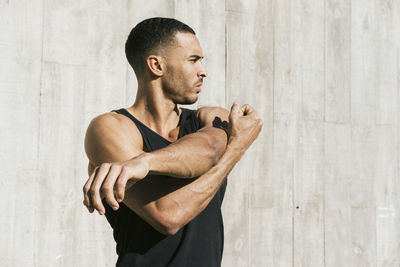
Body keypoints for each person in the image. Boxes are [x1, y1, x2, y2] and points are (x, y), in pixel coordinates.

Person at [82, 17, 262, 267]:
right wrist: (236, 149)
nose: (203, 71)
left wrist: (143, 162)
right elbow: (168, 215)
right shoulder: (110, 128)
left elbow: (210, 150)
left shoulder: (212, 117)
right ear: (156, 65)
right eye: (193, 59)